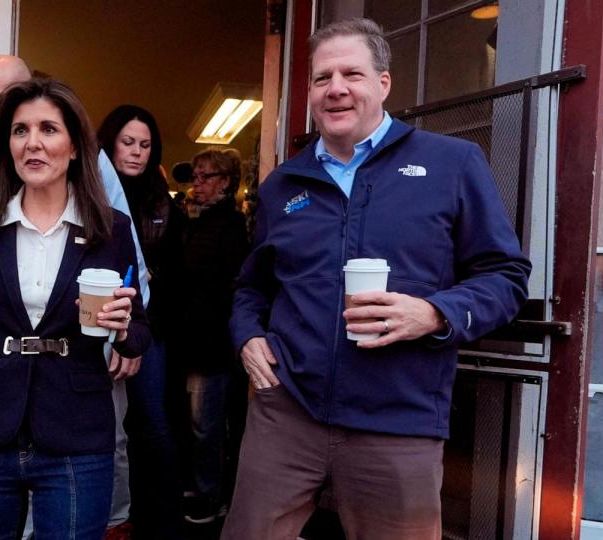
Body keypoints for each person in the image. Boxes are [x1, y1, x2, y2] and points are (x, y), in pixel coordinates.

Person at [222, 18, 531, 540]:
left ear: (383, 84)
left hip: (399, 416)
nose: (336, 88)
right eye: (322, 78)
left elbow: (505, 276)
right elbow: (253, 286)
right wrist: (247, 335)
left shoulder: (450, 163)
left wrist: (434, 313)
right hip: (288, 409)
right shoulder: (283, 184)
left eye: (352, 74)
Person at [0, 78, 151, 539]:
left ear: (76, 146)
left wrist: (121, 330)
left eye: (48, 129)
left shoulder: (110, 228)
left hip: (76, 435)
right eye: (20, 131)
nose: (33, 143)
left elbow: (139, 331)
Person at [98, 105, 186, 539]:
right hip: (98, 326)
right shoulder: (92, 191)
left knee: (151, 421)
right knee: (106, 426)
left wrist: (152, 277)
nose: (136, 153)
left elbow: (181, 273)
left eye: (145, 145)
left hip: (151, 330)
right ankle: (114, 516)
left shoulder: (166, 203)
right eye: (128, 142)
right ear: (109, 142)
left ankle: (162, 522)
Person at [171, 147, 249, 525]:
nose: (197, 184)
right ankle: (197, 485)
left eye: (206, 177)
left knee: (207, 423)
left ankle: (210, 495)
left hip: (211, 342)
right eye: (195, 176)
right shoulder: (193, 221)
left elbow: (227, 288)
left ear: (226, 182)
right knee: (192, 421)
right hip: (189, 339)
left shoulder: (231, 225)